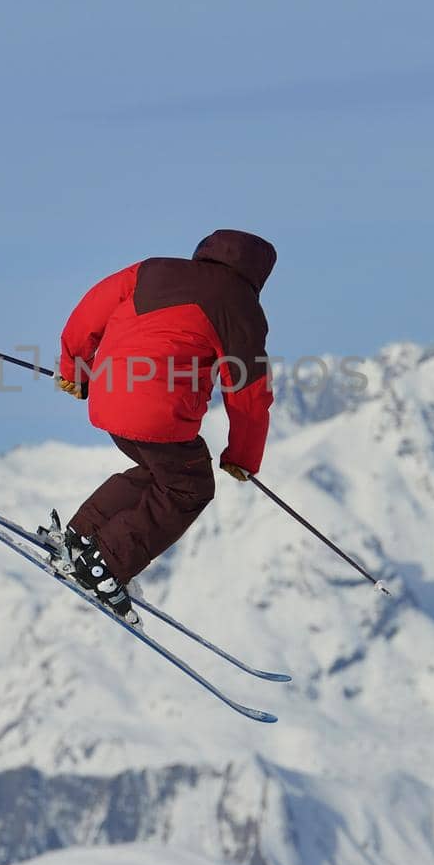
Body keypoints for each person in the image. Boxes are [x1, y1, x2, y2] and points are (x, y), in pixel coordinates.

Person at [47, 229, 276, 625]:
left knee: (161, 474)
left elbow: (89, 312)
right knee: (191, 487)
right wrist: (241, 456)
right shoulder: (240, 307)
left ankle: (83, 536)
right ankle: (105, 562)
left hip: (106, 397)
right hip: (158, 414)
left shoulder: (151, 270)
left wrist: (74, 370)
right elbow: (249, 394)